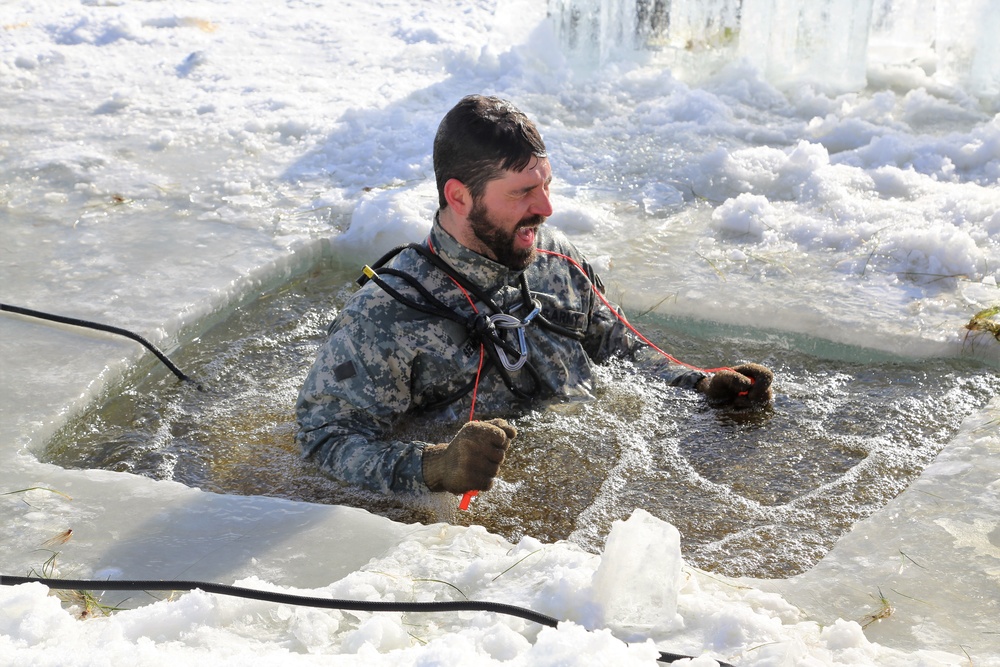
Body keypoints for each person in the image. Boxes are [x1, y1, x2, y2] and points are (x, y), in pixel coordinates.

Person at [296, 95, 773, 497]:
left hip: (597, 485)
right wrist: (435, 467)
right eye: (523, 192)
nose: (545, 208)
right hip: (483, 533)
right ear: (459, 197)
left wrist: (700, 386)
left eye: (546, 184)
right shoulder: (386, 314)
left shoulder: (557, 259)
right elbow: (325, 442)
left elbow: (617, 348)